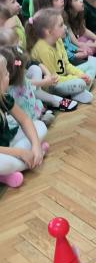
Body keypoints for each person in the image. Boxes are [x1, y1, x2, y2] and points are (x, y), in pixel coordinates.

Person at [27, 8, 95, 104]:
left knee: (94, 64)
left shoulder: (58, 40)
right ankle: (79, 90)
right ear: (48, 31)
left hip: (64, 78)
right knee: (80, 82)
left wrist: (81, 74)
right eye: (61, 25)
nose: (65, 27)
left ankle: (78, 92)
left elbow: (66, 65)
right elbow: (53, 79)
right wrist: (76, 78)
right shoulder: (43, 49)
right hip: (53, 86)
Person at [0, 53, 48, 189]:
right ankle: (30, 160)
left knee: (40, 126)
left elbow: (25, 119)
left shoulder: (4, 97)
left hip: (8, 144)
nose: (9, 75)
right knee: (2, 163)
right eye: (6, 74)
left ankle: (18, 164)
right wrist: (21, 153)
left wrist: (35, 145)